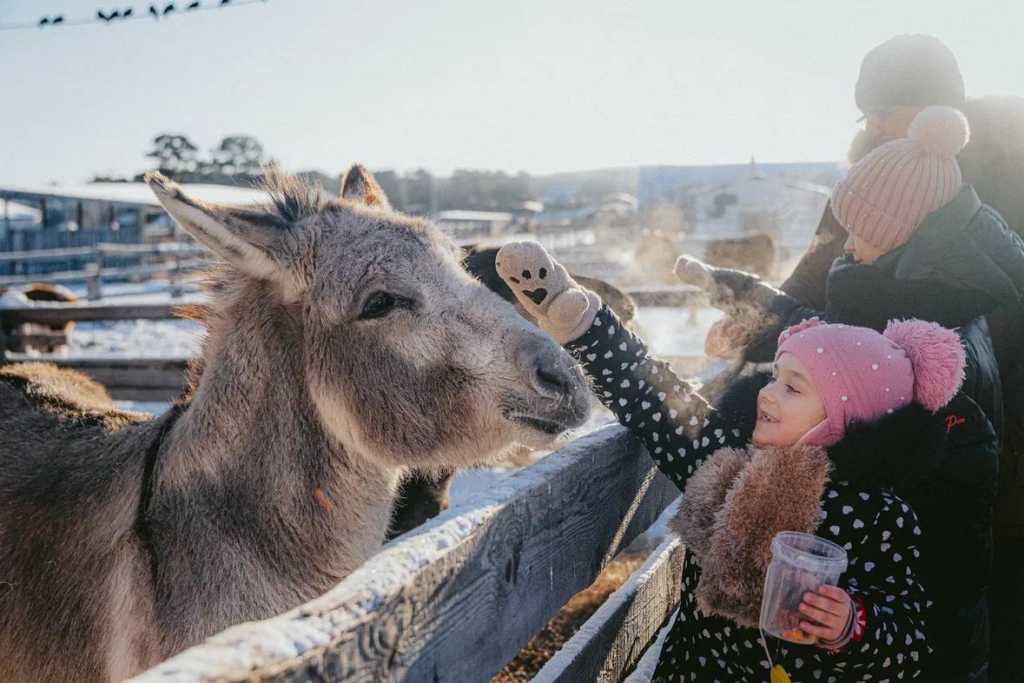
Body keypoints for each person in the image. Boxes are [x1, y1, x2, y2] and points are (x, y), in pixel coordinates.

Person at [493, 240, 975, 682]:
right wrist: (580, 320)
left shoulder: (880, 517)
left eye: (792, 387)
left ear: (843, 418)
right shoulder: (731, 462)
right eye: (773, 377)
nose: (766, 393)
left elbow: (909, 644)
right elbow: (657, 398)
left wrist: (852, 624)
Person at [682, 105, 1014, 682]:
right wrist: (741, 301)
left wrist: (860, 621)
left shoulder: (932, 327)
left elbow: (932, 514)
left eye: (859, 232)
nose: (847, 248)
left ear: (901, 234)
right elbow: (821, 341)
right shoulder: (915, 295)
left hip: (915, 636)